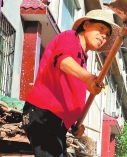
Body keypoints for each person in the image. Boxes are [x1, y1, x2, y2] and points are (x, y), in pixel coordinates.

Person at [22, 9, 120, 157]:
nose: (104, 36)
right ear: (86, 25)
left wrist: (75, 123)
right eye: (101, 29)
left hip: (58, 125)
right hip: (43, 114)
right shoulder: (70, 37)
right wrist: (88, 78)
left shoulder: (83, 61)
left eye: (107, 35)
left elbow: (69, 96)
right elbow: (62, 59)